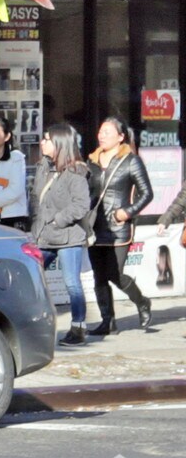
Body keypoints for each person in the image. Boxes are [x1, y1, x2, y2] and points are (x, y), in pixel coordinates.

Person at [33, 121, 97, 345]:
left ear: (59, 144)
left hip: (69, 236)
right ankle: (35, 325)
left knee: (71, 283)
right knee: (32, 275)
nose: (42, 142)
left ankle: (78, 327)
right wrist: (37, 228)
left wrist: (58, 220)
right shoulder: (44, 166)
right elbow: (37, 201)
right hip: (44, 235)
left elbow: (81, 206)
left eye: (47, 139)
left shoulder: (76, 171)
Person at [90, 116, 155, 334]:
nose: (101, 135)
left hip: (118, 227)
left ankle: (142, 302)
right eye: (100, 131)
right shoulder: (92, 161)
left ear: (120, 137)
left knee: (115, 274)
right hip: (95, 227)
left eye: (107, 132)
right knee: (99, 276)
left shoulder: (130, 160)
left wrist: (128, 211)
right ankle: (107, 321)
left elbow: (147, 193)